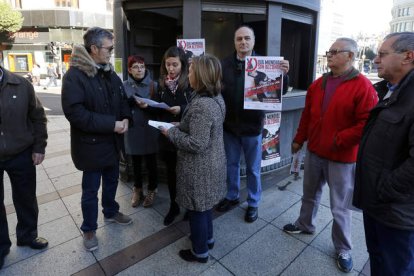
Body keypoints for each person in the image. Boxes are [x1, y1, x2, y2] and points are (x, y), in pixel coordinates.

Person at [282, 37, 378, 273]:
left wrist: (339, 139)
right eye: (329, 51)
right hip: (315, 152)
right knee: (309, 194)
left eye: (336, 52)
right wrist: (298, 139)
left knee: (340, 207)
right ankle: (305, 224)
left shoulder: (363, 86)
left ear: (351, 56)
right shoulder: (318, 84)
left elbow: (366, 123)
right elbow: (308, 116)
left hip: (342, 158)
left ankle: (344, 248)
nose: (330, 55)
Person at [61, 27, 132, 252]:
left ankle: (110, 212)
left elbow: (122, 99)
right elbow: (75, 113)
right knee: (90, 190)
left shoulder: (109, 72)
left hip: (112, 143)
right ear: (94, 49)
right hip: (90, 147)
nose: (111, 51)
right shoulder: (74, 75)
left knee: (112, 181)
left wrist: (126, 118)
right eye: (108, 48)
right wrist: (111, 124)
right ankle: (89, 229)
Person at [353, 32, 414, 276]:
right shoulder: (391, 90)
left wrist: (386, 189)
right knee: (378, 259)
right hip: (378, 204)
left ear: (408, 57)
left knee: (395, 269)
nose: (375, 60)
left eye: (382, 54)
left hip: (395, 211)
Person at [216, 25, 289, 223]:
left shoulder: (266, 64)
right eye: (239, 38)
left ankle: (253, 202)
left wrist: (283, 76)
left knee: (253, 169)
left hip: (252, 127)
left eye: (247, 38)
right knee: (231, 165)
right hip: (229, 127)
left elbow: (278, 92)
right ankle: (232, 196)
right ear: (234, 42)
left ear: (254, 41)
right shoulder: (223, 65)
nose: (243, 42)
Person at [160, 54, 226, 263]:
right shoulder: (215, 98)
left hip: (200, 167)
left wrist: (171, 133)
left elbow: (197, 143)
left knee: (197, 208)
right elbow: (204, 129)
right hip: (212, 162)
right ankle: (208, 239)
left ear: (200, 74)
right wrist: (182, 125)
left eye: (190, 70)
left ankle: (200, 252)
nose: (187, 74)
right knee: (205, 205)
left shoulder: (202, 104)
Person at [0, 65, 48, 270]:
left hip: (21, 152)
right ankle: (1, 248)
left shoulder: (21, 84)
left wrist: (39, 147)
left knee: (26, 197)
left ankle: (27, 236)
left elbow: (37, 117)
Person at [152, 46, 192, 226]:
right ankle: (174, 206)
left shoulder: (191, 83)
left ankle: (191, 208)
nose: (171, 68)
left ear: (182, 65)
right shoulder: (160, 84)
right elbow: (157, 108)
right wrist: (149, 106)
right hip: (167, 136)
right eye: (168, 64)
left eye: (175, 64)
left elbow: (198, 107)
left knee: (188, 174)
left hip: (185, 136)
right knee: (171, 174)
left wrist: (181, 109)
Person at [123, 55, 159, 208]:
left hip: (150, 129)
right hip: (133, 129)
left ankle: (152, 190)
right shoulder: (124, 85)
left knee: (152, 163)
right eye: (136, 67)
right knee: (135, 163)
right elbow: (119, 107)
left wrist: (148, 106)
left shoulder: (154, 85)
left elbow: (160, 108)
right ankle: (137, 189)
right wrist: (129, 102)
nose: (139, 69)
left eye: (142, 66)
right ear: (130, 70)